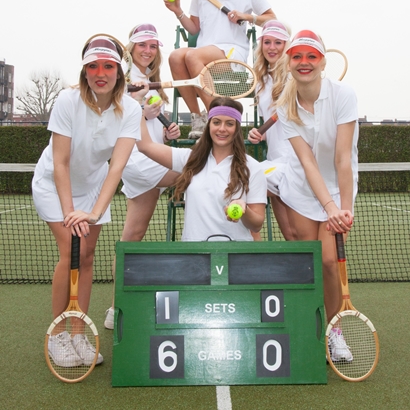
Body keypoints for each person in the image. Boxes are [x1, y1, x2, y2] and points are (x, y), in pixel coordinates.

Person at [32, 35, 145, 368]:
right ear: (84, 71)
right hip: (54, 184)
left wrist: (94, 212)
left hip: (94, 188)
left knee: (88, 254)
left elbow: (118, 166)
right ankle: (57, 336)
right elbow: (61, 162)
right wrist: (70, 212)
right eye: (93, 66)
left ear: (118, 72)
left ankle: (79, 333)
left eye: (108, 66)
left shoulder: (132, 109)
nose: (101, 72)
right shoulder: (67, 101)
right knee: (71, 252)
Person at [275, 29, 359, 362]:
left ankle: (334, 333)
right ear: (289, 61)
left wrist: (344, 210)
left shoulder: (344, 95)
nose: (304, 62)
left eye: (311, 56)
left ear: (323, 62)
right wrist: (326, 206)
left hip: (339, 187)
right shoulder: (284, 103)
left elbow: (342, 158)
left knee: (328, 261)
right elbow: (307, 161)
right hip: (301, 189)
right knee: (305, 263)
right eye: (297, 56)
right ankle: (306, 329)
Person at [104, 24, 180, 329]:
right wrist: (140, 111)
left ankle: (114, 310)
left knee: (132, 237)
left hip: (153, 155)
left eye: (152, 46)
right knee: (197, 169)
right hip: (138, 160)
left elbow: (152, 127)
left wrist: (167, 129)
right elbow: (114, 116)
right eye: (142, 45)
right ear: (130, 47)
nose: (147, 50)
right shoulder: (122, 80)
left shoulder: (151, 81)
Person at [163, 0, 276, 139]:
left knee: (192, 56)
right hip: (205, 51)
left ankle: (219, 117)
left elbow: (271, 19)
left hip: (233, 53)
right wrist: (177, 11)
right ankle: (198, 117)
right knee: (175, 56)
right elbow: (194, 29)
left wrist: (246, 16)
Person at [137, 97, 267, 241]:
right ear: (209, 125)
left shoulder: (253, 167)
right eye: (216, 122)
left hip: (235, 255)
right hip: (194, 255)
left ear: (237, 128)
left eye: (229, 124)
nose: (222, 129)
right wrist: (139, 109)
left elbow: (256, 225)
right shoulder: (190, 159)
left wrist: (244, 210)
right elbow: (145, 146)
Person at [247, 20, 295, 241]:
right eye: (267, 42)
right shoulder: (261, 81)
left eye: (278, 42)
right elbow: (274, 123)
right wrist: (260, 134)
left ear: (287, 46)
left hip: (294, 161)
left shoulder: (295, 77)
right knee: (289, 233)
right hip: (274, 157)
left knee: (245, 185)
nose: (272, 47)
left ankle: (254, 254)